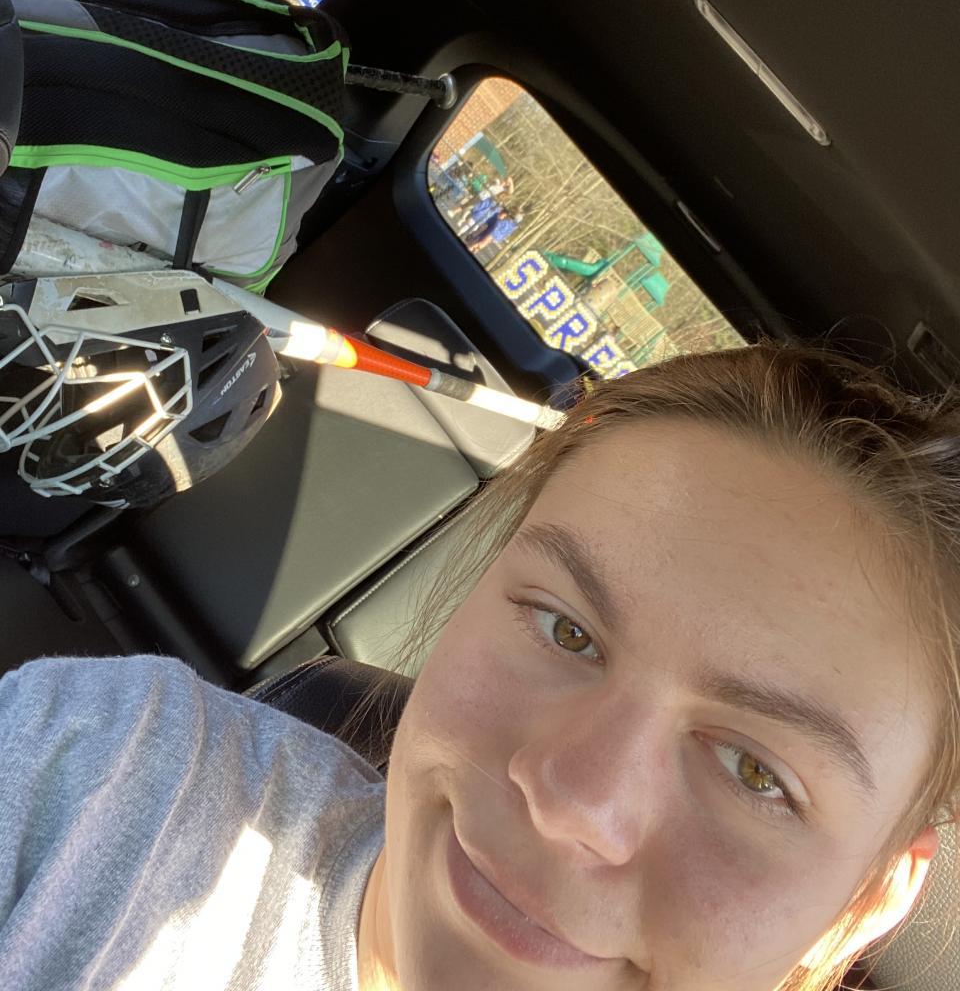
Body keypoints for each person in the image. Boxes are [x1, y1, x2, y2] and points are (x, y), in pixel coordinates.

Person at [0, 342, 957, 991]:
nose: (573, 801)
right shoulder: (110, 773)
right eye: (566, 632)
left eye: (755, 771)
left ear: (865, 903)